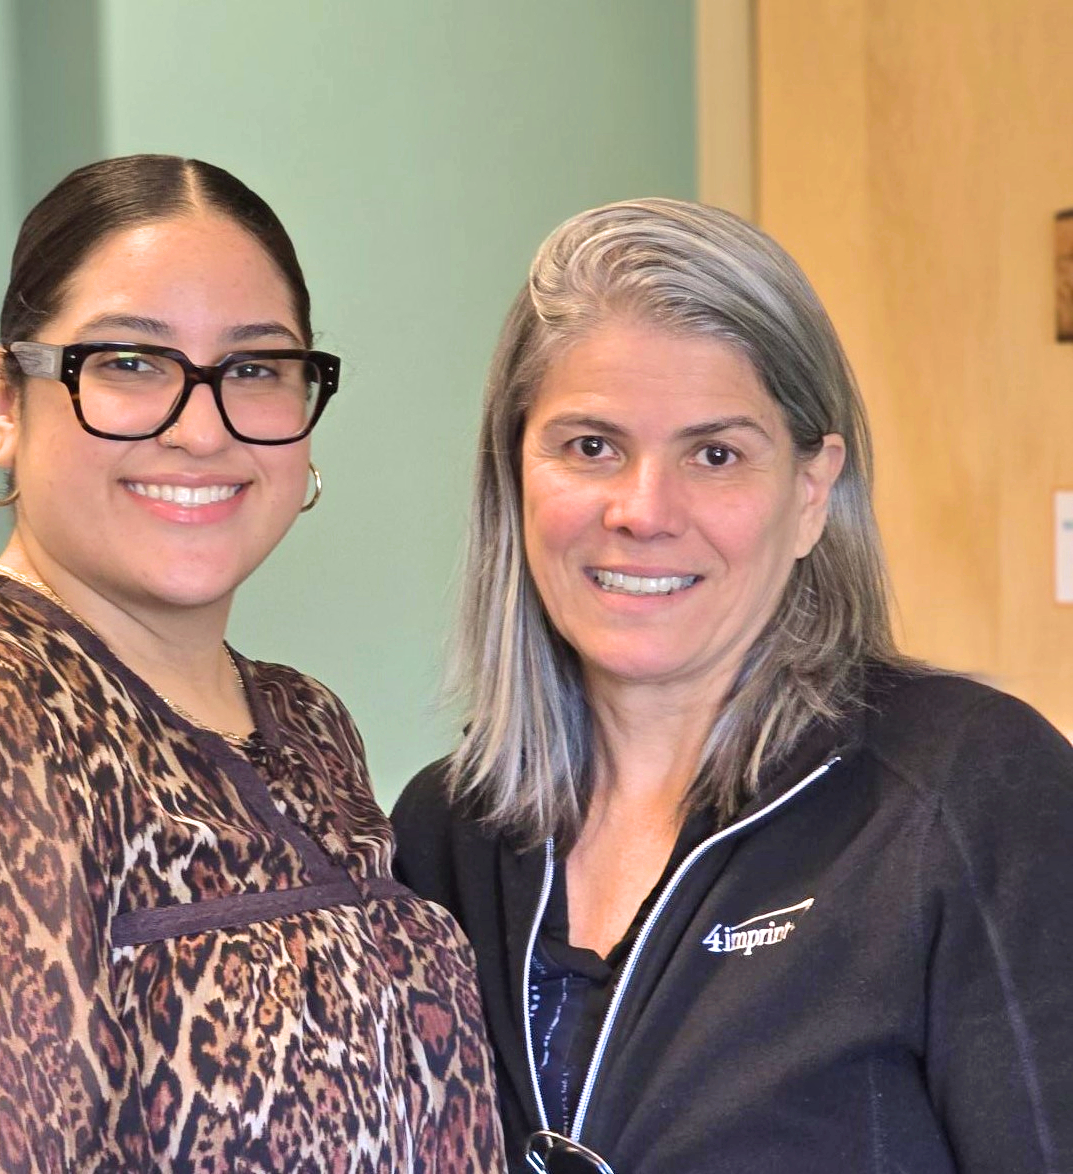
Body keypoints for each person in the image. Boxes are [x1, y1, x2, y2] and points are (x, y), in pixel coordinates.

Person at [0, 154, 502, 1172]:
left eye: (255, 369)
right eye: (130, 363)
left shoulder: (307, 726)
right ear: (5, 400)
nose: (200, 429)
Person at [393, 197, 1073, 1173]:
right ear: (516, 473)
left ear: (809, 491)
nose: (644, 511)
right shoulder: (439, 835)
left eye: (714, 455)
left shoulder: (970, 793)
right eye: (591, 447)